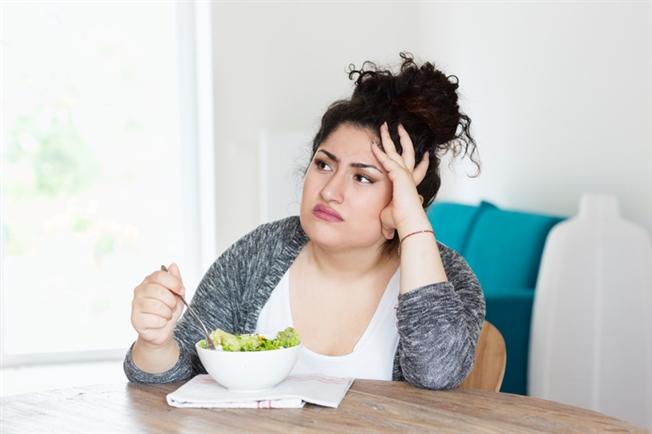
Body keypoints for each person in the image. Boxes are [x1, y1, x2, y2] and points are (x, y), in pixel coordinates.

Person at [124, 52, 485, 390]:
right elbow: (174, 381)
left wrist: (412, 223)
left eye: (363, 178)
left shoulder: (448, 277)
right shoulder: (259, 255)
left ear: (404, 199)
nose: (329, 191)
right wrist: (154, 342)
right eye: (324, 164)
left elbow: (438, 373)